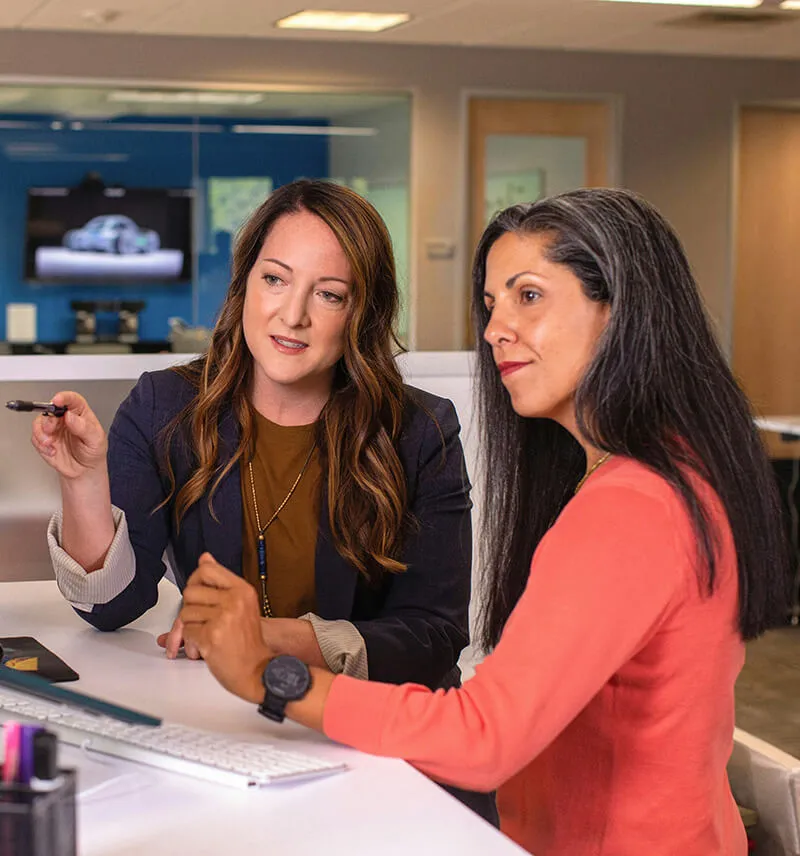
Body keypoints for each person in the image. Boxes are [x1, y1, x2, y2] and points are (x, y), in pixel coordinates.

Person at [178, 188, 791, 856]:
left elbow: (483, 739)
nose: (497, 328)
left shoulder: (633, 506)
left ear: (621, 310)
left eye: (529, 296)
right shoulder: (675, 470)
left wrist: (268, 676)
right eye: (493, 304)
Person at [31, 179, 497, 824]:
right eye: (275, 280)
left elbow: (433, 633)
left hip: (382, 749)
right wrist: (84, 480)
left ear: (362, 311)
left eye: (328, 294)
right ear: (245, 283)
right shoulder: (165, 407)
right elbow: (113, 607)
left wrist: (271, 641)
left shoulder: (420, 429)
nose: (293, 315)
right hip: (231, 736)